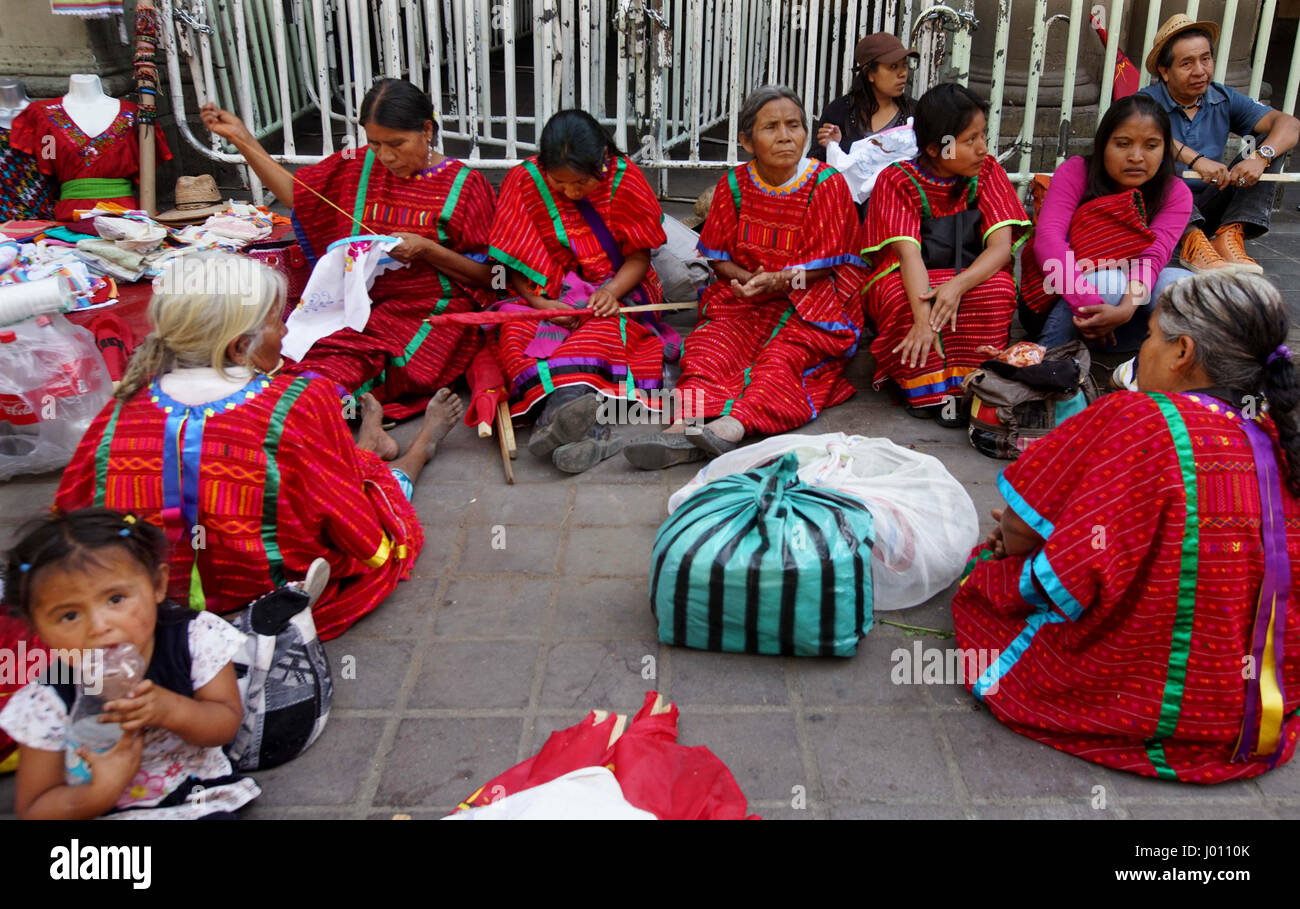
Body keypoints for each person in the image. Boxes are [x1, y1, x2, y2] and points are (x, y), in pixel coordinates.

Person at [954, 271, 1300, 782]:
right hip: (1256, 693)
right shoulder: (1275, 431)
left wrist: (1016, 537)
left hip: (1136, 684)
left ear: (1183, 352)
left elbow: (1027, 529)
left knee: (991, 577)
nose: (1145, 351)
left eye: (1153, 336)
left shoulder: (1135, 416)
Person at [54, 254, 459, 641]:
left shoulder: (122, 406)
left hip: (151, 595)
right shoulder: (299, 399)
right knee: (371, 487)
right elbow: (345, 516)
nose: (284, 332)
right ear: (237, 347)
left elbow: (74, 517)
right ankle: (414, 450)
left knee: (326, 467)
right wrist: (376, 536)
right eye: (274, 322)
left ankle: (368, 443)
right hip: (269, 587)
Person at [200, 79, 496, 425]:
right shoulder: (357, 165)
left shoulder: (465, 186)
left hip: (428, 314)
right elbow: (300, 197)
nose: (385, 156)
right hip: (351, 303)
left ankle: (328, 409)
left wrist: (428, 250)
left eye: (396, 144)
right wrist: (243, 140)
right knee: (297, 351)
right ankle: (320, 406)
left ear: (426, 130)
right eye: (374, 143)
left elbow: (493, 277)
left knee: (357, 364)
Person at [625, 86, 862, 469]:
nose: (786, 136)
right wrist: (744, 279)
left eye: (795, 125)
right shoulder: (733, 185)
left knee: (780, 361)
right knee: (709, 348)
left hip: (808, 303)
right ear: (746, 141)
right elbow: (717, 258)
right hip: (744, 298)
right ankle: (683, 426)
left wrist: (779, 281)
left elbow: (825, 264)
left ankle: (730, 428)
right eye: (771, 127)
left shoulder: (826, 185)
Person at [0, 509, 259, 819]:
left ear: (157, 585)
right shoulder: (47, 699)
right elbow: (34, 809)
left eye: (115, 599)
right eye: (69, 615)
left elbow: (225, 724)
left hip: (192, 799)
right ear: (38, 629)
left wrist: (170, 709)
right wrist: (101, 792)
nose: (98, 626)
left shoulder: (193, 641)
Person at [488, 109, 673, 474]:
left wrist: (611, 293)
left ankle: (558, 414)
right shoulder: (523, 182)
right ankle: (586, 429)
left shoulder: (626, 181)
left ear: (603, 160)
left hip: (616, 288)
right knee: (517, 333)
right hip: (544, 293)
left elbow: (639, 256)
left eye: (581, 184)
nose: (570, 192)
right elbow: (513, 263)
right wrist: (540, 304)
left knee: (600, 329)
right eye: (560, 185)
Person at [858, 83, 1029, 424]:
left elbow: (998, 248)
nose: (982, 149)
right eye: (970, 141)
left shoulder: (988, 171)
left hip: (970, 271)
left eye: (983, 136)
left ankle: (970, 385)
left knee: (998, 291)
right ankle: (925, 389)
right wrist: (924, 321)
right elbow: (909, 257)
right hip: (910, 274)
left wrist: (956, 286)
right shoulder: (897, 180)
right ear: (937, 148)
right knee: (904, 299)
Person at [1019, 94, 1194, 352]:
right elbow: (1048, 242)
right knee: (1110, 282)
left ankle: (1159, 362)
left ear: (1164, 149)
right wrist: (1088, 304)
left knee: (1185, 287)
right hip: (1061, 307)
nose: (1136, 157)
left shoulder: (1174, 193)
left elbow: (1152, 256)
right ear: (1103, 145)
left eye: (1151, 145)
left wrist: (1125, 310)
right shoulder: (1076, 172)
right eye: (1123, 144)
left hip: (1125, 321)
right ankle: (1049, 358)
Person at [1138, 14, 1300, 274]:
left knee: (1270, 143)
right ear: (1165, 71)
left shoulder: (1222, 97)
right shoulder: (1144, 101)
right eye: (1187, 63)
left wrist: (1261, 157)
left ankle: (1227, 235)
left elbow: (1290, 125)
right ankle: (1190, 239)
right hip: (1158, 208)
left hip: (1210, 202)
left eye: (1206, 59)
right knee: (1146, 155)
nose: (1200, 71)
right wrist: (1196, 160)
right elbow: (1144, 135)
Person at [812, 32, 917, 163]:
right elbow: (816, 164)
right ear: (869, 73)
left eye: (904, 65)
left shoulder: (915, 113)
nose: (903, 73)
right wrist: (836, 145)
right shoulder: (838, 112)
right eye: (893, 66)